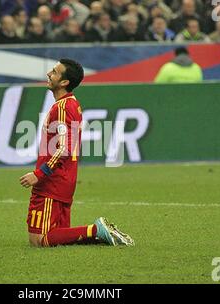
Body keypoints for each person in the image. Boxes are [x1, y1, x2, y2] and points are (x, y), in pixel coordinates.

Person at [20, 58, 134, 247]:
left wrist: (38, 174)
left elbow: (63, 148)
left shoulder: (63, 107)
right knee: (59, 237)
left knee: (39, 240)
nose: (49, 73)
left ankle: (96, 230)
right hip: (64, 179)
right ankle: (99, 236)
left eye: (55, 72)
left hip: (52, 182)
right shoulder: (71, 104)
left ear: (64, 82)